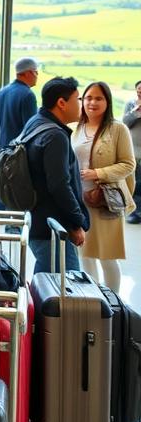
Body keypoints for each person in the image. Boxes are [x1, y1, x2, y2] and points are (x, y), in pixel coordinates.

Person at [17, 76, 89, 274]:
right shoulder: (55, 136)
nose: (81, 105)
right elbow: (59, 185)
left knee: (46, 282)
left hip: (36, 219)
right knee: (65, 288)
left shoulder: (36, 122)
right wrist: (76, 223)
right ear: (61, 103)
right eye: (78, 99)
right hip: (53, 228)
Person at [72, 81, 135, 293]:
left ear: (107, 102)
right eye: (88, 98)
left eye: (99, 98)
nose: (92, 102)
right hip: (81, 201)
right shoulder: (77, 128)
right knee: (85, 253)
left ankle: (113, 303)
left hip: (106, 201)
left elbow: (128, 164)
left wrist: (98, 173)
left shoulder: (118, 129)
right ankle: (94, 298)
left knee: (107, 256)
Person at [0, 57, 39, 152]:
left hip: (2, 152)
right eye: (36, 72)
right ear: (29, 73)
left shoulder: (2, 91)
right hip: (18, 157)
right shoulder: (27, 95)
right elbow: (31, 129)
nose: (37, 76)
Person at [121, 79, 141, 224]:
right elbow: (125, 122)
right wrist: (136, 112)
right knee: (134, 183)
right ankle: (134, 212)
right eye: (138, 88)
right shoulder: (131, 104)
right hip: (133, 151)